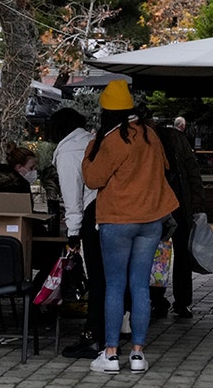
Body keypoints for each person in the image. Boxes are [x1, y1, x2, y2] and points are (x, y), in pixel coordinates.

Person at [83, 80, 178, 374]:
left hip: (117, 220)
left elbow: (92, 179)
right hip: (150, 220)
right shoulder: (150, 135)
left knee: (114, 286)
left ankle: (110, 354)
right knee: (140, 287)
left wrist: (91, 146)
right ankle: (138, 354)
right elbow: (163, 169)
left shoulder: (111, 140)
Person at [50, 108, 103, 360]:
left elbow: (73, 197)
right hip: (114, 214)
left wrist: (73, 235)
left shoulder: (69, 151)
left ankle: (93, 335)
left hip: (94, 219)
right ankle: (113, 332)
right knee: (111, 279)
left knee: (97, 280)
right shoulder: (91, 141)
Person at [154, 116, 206, 319]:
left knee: (158, 255)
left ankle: (160, 300)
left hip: (163, 205)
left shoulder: (152, 139)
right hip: (178, 203)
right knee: (178, 255)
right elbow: (192, 171)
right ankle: (180, 302)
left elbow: (191, 171)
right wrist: (197, 203)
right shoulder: (176, 138)